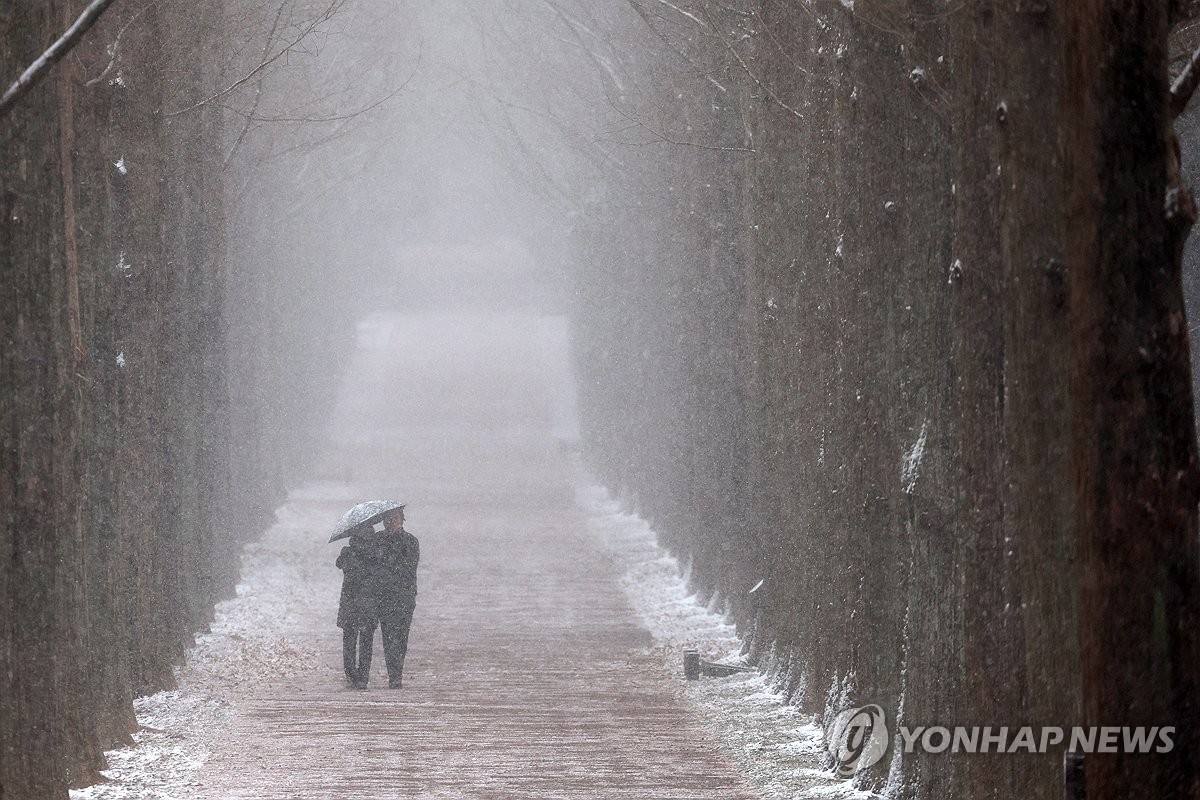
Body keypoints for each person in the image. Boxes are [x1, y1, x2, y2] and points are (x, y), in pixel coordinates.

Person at [336, 506, 419, 689]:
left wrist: (384, 568)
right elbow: (368, 563)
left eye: (395, 518)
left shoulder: (411, 542)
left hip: (403, 597)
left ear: (402, 520)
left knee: (400, 638)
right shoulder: (378, 540)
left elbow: (407, 568)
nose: (391, 522)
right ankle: (393, 677)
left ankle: (396, 674)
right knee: (389, 637)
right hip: (381, 597)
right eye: (388, 519)